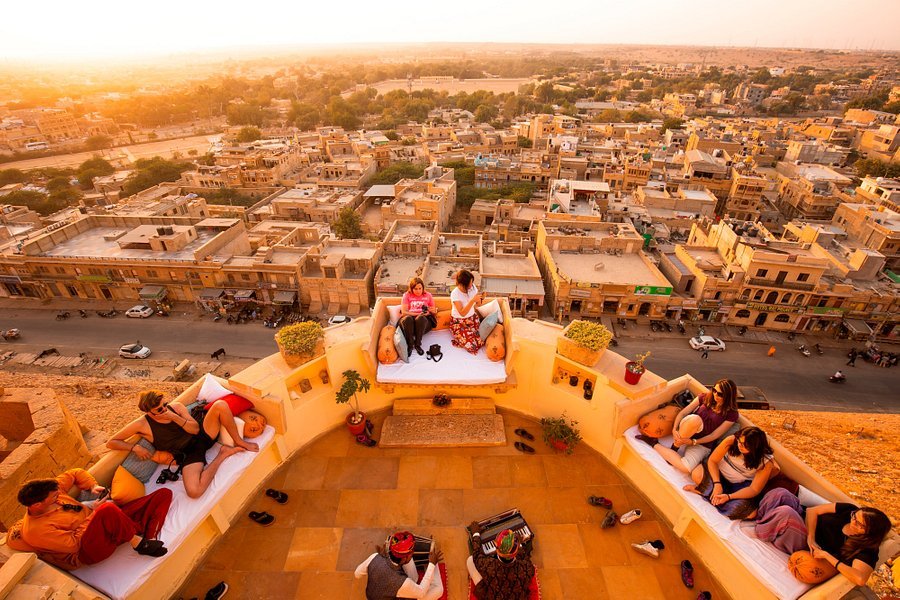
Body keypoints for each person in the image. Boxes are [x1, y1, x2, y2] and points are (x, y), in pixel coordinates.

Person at [107, 390, 261, 499]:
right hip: (188, 453)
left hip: (203, 436)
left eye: (165, 404)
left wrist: (173, 416)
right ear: (149, 412)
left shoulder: (177, 408)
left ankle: (240, 442)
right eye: (159, 409)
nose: (164, 409)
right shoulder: (141, 425)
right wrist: (134, 447)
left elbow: (195, 430)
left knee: (220, 405)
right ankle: (223, 454)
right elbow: (111, 442)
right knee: (194, 491)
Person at [15, 469, 173, 570]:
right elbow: (74, 545)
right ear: (36, 504)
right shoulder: (36, 530)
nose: (59, 497)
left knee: (164, 493)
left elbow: (75, 473)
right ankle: (139, 542)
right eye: (55, 497)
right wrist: (94, 513)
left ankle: (145, 535)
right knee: (108, 509)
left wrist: (92, 486)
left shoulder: (52, 491)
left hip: (103, 521)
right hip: (87, 551)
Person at [755, 490, 891, 586]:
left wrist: (826, 556)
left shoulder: (866, 548)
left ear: (868, 532)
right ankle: (759, 518)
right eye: (855, 515)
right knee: (781, 494)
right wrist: (811, 536)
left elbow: (860, 579)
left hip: (807, 546)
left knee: (786, 513)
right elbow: (812, 511)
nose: (852, 519)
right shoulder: (849, 509)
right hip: (808, 529)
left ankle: (762, 530)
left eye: (858, 523)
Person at [636, 379, 740, 474]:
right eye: (714, 390)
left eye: (720, 394)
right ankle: (675, 447)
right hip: (688, 427)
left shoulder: (732, 414)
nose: (715, 394)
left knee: (686, 468)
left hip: (702, 443)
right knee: (696, 420)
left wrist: (693, 442)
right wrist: (674, 429)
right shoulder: (704, 397)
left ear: (728, 396)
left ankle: (653, 443)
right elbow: (683, 413)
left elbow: (714, 435)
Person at [683, 426, 781, 520]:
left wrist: (729, 497)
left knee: (751, 514)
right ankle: (715, 496)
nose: (739, 445)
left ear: (755, 447)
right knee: (696, 473)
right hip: (718, 475)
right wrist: (717, 484)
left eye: (744, 445)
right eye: (739, 441)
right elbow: (712, 461)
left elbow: (754, 489)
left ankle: (706, 493)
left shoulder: (766, 462)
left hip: (738, 486)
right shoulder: (731, 440)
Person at [353, 530, 444, 600]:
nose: (413, 553)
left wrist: (377, 567)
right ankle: (431, 561)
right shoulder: (402, 582)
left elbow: (357, 574)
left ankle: (429, 562)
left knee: (413, 574)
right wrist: (432, 564)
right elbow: (421, 593)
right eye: (411, 553)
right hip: (398, 590)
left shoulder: (375, 556)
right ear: (404, 558)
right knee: (438, 590)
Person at [467, 525, 535, 599]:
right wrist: (520, 544)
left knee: (470, 560)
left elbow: (476, 555)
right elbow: (525, 558)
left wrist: (476, 534)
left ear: (497, 549)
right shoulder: (527, 568)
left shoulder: (488, 565)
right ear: (516, 552)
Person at [398, 277, 437, 357]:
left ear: (423, 288)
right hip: (410, 324)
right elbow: (404, 312)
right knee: (407, 318)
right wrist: (418, 314)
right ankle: (410, 345)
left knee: (421, 318)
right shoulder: (407, 295)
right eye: (415, 289)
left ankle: (417, 344)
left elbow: (433, 310)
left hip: (423, 323)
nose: (418, 291)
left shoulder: (428, 295)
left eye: (420, 288)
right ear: (411, 289)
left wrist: (430, 311)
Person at [450, 269, 485, 355]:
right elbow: (462, 313)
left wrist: (481, 299)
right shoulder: (455, 294)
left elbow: (478, 305)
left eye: (472, 283)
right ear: (462, 284)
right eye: (469, 284)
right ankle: (460, 336)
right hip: (459, 321)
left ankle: (468, 333)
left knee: (481, 341)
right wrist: (472, 300)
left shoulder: (473, 288)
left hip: (472, 318)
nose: (471, 285)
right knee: (472, 346)